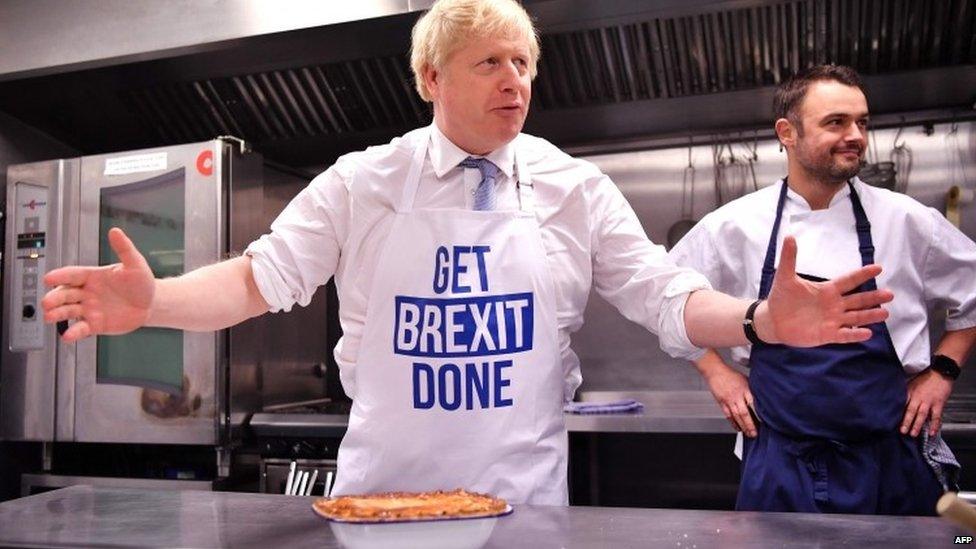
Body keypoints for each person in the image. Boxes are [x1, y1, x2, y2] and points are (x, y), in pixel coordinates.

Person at [41, 2, 891, 506]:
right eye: (489, 62)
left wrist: (758, 318)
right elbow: (258, 279)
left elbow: (666, 297)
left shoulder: (571, 186)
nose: (514, 79)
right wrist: (152, 304)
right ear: (431, 79)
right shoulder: (365, 181)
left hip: (522, 505)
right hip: (381, 501)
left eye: (523, 61)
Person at [670, 64, 976, 515]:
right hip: (779, 461)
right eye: (836, 122)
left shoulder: (907, 220)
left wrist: (943, 372)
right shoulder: (732, 226)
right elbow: (666, 301)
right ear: (787, 132)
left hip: (892, 458)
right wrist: (716, 371)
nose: (855, 135)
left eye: (863, 122)